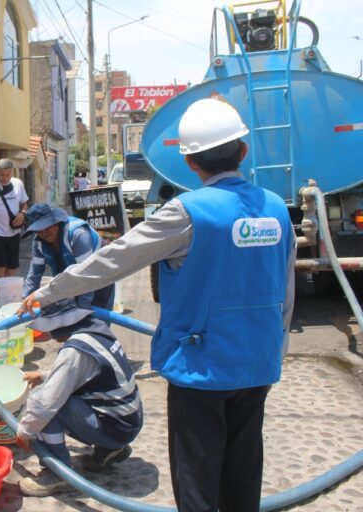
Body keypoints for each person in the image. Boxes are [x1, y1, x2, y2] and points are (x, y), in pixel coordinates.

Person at [20, 98, 296, 512]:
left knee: (198, 481)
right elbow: (286, 288)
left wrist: (46, 293)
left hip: (200, 370)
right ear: (243, 150)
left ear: (189, 163)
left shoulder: (187, 213)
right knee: (243, 474)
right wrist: (277, 348)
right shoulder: (277, 209)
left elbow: (114, 260)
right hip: (258, 365)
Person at [15, 300, 142, 497]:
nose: (53, 338)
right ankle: (109, 450)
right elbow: (85, 372)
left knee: (49, 407)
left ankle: (58, 474)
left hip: (114, 426)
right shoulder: (97, 329)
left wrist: (24, 432)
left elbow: (45, 404)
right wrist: (43, 376)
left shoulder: (75, 350)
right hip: (127, 422)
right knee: (63, 395)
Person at [22, 203, 114, 313]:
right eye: (38, 230)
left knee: (96, 321)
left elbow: (87, 274)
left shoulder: (78, 234)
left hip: (99, 276)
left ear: (56, 222)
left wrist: (82, 311)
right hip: (74, 279)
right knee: (65, 315)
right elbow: (34, 275)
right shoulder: (38, 242)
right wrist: (25, 302)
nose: (43, 233)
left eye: (46, 227)